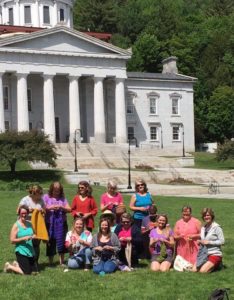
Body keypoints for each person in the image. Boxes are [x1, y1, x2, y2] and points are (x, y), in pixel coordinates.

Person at [43, 181, 71, 266]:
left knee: (61, 241)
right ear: (51, 189)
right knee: (50, 241)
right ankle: (50, 262)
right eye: (55, 190)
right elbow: (42, 207)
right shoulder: (46, 197)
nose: (56, 192)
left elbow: (69, 209)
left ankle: (61, 261)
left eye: (58, 190)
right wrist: (50, 207)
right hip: (49, 223)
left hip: (61, 224)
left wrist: (62, 207)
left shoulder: (63, 199)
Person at [4, 205, 38, 275]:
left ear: (28, 213)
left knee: (35, 272)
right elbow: (12, 240)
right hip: (21, 250)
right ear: (19, 213)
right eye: (22, 213)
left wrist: (34, 236)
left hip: (30, 251)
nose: (24, 215)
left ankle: (17, 265)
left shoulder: (29, 224)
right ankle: (9, 266)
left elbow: (34, 234)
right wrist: (24, 238)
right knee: (27, 272)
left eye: (25, 213)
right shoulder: (16, 225)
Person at [17, 184, 45, 265]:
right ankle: (25, 262)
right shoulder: (25, 200)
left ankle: (35, 263)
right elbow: (17, 211)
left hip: (37, 225)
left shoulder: (41, 200)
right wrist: (28, 210)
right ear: (34, 193)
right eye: (40, 193)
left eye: (41, 193)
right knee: (26, 243)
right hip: (25, 225)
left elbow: (44, 210)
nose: (41, 195)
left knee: (36, 244)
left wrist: (41, 211)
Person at [193, 208, 225, 273]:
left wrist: (209, 242)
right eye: (204, 215)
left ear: (212, 216)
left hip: (214, 254)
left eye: (208, 215)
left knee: (202, 271)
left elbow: (222, 241)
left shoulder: (217, 227)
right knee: (194, 270)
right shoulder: (203, 228)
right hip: (204, 254)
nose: (206, 217)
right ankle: (210, 265)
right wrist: (199, 241)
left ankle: (217, 265)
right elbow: (203, 239)